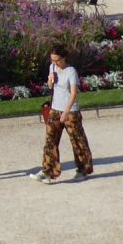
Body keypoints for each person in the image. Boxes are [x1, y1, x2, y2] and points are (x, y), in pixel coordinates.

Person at [35, 46, 93, 184]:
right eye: (52, 60)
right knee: (50, 140)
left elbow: (73, 93)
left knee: (77, 140)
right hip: (55, 108)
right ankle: (48, 171)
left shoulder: (71, 71)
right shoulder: (52, 67)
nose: (55, 63)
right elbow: (50, 87)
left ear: (64, 58)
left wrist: (66, 111)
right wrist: (50, 81)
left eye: (57, 60)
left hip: (70, 110)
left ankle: (82, 169)